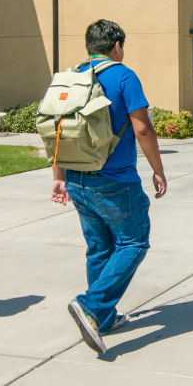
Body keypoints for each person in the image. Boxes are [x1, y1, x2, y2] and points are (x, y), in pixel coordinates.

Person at [50, 19, 169, 356]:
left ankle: (101, 318)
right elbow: (143, 129)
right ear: (116, 45)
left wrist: (58, 176)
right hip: (116, 181)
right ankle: (91, 306)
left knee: (99, 247)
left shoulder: (69, 78)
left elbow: (58, 131)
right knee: (133, 242)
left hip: (77, 178)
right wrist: (158, 170)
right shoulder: (123, 75)